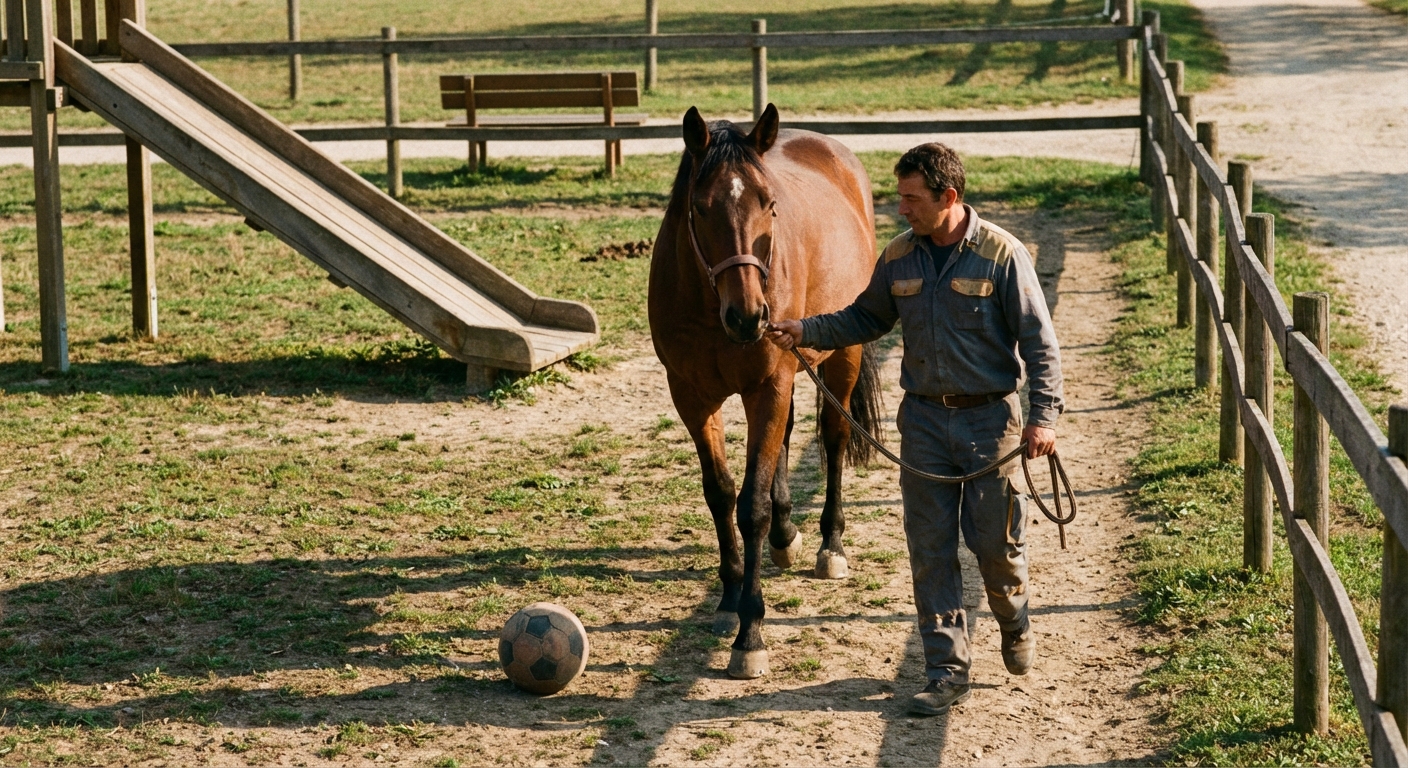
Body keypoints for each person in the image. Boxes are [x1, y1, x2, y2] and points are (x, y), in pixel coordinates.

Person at [765, 143, 1064, 716]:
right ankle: (946, 669)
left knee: (995, 548)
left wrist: (1043, 418)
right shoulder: (900, 257)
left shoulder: (1001, 255)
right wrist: (804, 328)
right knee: (929, 552)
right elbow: (864, 317)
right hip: (923, 422)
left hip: (989, 426)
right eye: (899, 197)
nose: (901, 209)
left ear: (948, 198)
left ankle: (1013, 615)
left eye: (911, 199)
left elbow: (1040, 343)